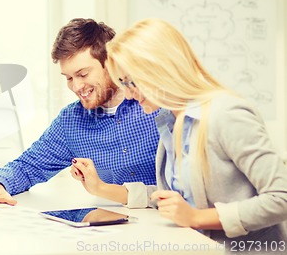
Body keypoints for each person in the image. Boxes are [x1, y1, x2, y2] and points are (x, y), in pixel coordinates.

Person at [101, 17, 287, 247]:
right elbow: (179, 199)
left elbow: (281, 198)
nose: (128, 95)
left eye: (131, 82)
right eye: (123, 84)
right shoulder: (170, 121)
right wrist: (102, 189)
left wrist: (196, 218)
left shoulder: (226, 114)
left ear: (160, 70)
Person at [0, 18, 160, 208]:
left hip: (170, 221)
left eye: (83, 74)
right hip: (116, 223)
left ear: (110, 64)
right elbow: (29, 165)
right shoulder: (72, 120)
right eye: (69, 78)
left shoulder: (155, 104)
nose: (77, 86)